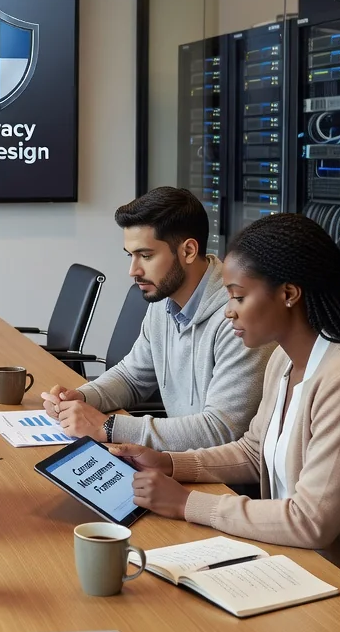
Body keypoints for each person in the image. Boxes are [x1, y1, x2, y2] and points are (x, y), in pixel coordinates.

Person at [110, 213, 340, 617]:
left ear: (288, 294)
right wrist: (171, 463)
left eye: (238, 296)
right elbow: (253, 452)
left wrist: (186, 504)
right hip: (302, 569)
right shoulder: (284, 359)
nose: (229, 311)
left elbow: (310, 522)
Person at [42, 187, 272, 450]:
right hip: (176, 460)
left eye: (146, 256)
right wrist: (82, 397)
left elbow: (222, 430)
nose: (133, 270)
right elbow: (132, 376)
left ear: (187, 251)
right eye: (131, 256)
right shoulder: (164, 298)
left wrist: (107, 427)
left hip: (219, 478)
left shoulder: (238, 318)